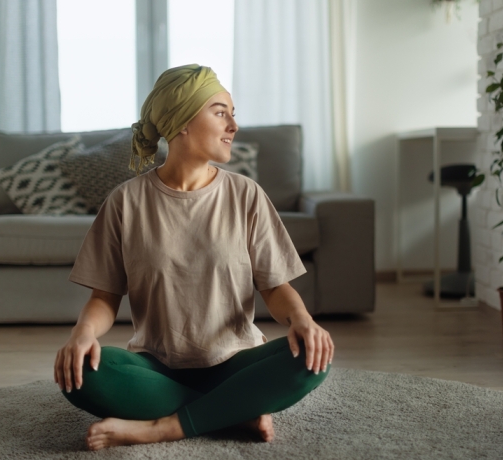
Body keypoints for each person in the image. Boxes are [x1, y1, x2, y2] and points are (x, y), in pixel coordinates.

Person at [53, 64, 334, 451]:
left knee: (312, 359)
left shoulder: (246, 195)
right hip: (158, 366)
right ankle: (234, 410)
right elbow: (104, 297)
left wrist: (303, 320)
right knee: (80, 371)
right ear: (182, 121)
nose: (233, 126)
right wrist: (81, 334)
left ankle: (162, 427)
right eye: (221, 112)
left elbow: (275, 286)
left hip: (236, 362)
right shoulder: (126, 202)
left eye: (233, 114)